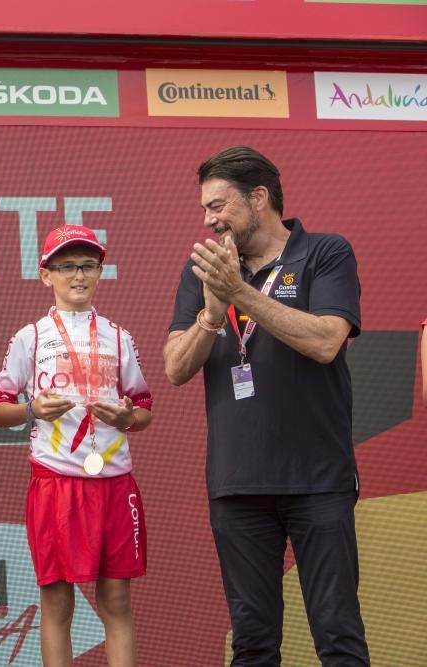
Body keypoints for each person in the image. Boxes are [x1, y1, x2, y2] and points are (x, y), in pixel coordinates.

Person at [163, 146, 369, 666]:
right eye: (205, 209)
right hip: (238, 485)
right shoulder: (203, 271)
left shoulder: (325, 252)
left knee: (338, 636)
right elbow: (175, 368)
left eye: (219, 206)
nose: (209, 220)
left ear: (259, 198)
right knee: (252, 644)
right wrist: (212, 315)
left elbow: (326, 341)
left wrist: (241, 294)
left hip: (318, 479)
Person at [0, 225, 153, 667]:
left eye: (88, 266)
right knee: (58, 604)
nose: (78, 276)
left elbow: (144, 409)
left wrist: (127, 418)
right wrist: (32, 410)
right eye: (67, 267)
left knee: (116, 602)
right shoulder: (31, 337)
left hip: (115, 484)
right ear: (46, 275)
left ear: (99, 272)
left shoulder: (119, 336)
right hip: (57, 484)